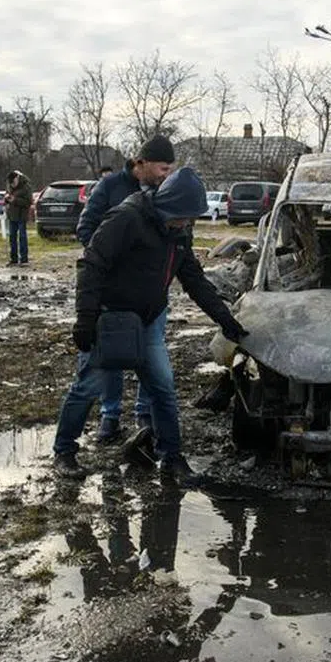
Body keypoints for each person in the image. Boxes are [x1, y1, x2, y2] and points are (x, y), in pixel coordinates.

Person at [52, 167, 248, 483]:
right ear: (169, 205)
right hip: (110, 318)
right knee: (88, 386)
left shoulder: (178, 233)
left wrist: (225, 320)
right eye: (184, 216)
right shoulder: (127, 218)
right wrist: (86, 318)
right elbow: (91, 264)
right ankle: (64, 453)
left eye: (190, 218)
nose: (187, 223)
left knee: (163, 389)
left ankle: (172, 458)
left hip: (148, 321)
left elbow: (195, 280)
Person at [75, 136, 176, 444]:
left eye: (170, 169)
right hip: (115, 295)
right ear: (140, 163)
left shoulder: (164, 192)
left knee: (150, 351)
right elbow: (86, 230)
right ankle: (110, 415)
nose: (165, 175)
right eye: (162, 168)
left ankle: (144, 413)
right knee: (110, 356)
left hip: (151, 297)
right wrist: (120, 256)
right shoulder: (110, 188)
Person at [4, 170, 32, 266]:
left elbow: (28, 202)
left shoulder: (26, 186)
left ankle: (24, 259)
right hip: (12, 215)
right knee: (12, 237)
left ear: (17, 178)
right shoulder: (9, 185)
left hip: (21, 215)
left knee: (22, 237)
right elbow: (7, 196)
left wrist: (15, 200)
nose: (12, 185)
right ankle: (14, 259)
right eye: (10, 184)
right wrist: (6, 199)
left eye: (13, 183)